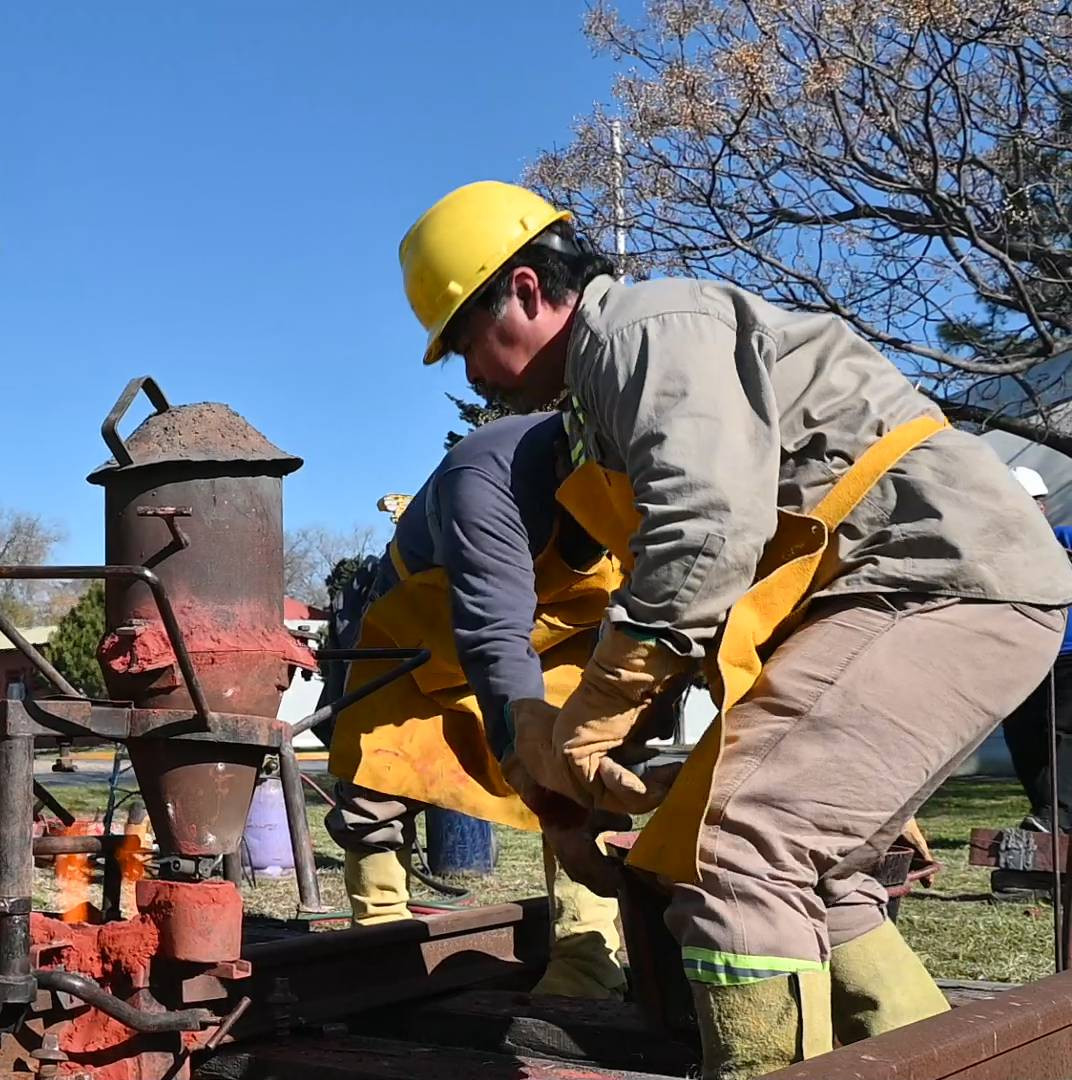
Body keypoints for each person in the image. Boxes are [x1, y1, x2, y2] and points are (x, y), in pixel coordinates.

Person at [399, 180, 1072, 1079]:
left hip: (933, 582)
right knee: (807, 866)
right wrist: (580, 781)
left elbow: (705, 533)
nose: (472, 374)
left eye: (467, 343)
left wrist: (593, 715)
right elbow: (694, 590)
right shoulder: (604, 394)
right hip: (900, 588)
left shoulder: (644, 334)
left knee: (739, 848)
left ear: (525, 289)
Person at [324, 412, 642, 1000]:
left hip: (566, 636)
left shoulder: (655, 472)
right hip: (425, 630)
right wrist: (533, 772)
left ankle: (586, 959)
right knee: (380, 773)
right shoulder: (485, 477)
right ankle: (381, 942)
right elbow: (496, 637)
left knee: (583, 768)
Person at [996, 466, 1072, 891]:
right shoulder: (997, 551)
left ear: (1039, 507)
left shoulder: (1062, 539)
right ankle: (1047, 829)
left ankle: (1052, 821)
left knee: (1060, 736)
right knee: (1022, 738)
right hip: (1022, 658)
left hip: (1068, 657)